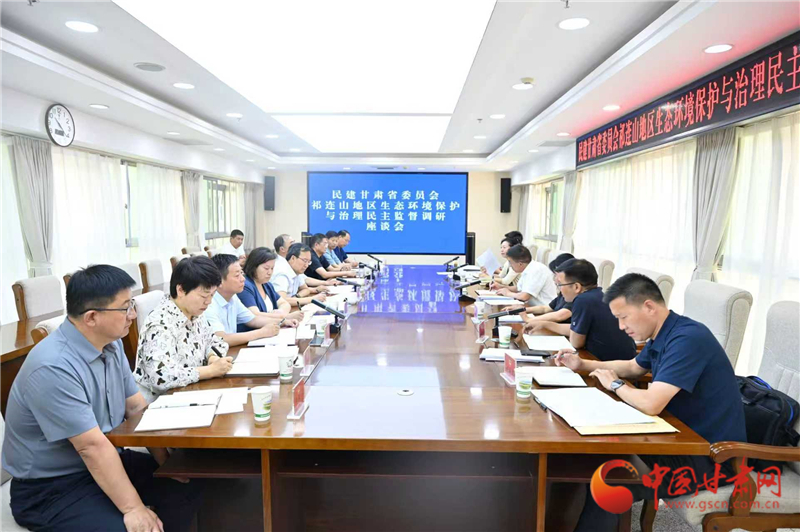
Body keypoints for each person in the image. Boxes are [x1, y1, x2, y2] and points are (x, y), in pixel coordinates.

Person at [2, 265, 202, 532]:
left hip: (107, 460)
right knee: (128, 527)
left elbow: (136, 408)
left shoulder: (112, 343)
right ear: (92, 317)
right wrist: (133, 508)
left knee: (186, 486)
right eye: (125, 308)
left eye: (132, 304)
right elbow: (91, 447)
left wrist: (164, 461)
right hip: (51, 488)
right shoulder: (52, 367)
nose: (133, 315)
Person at [559, 273, 746, 531]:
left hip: (709, 458)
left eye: (623, 317)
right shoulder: (665, 332)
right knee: (589, 457)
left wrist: (615, 385)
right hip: (677, 438)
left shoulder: (688, 339)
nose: (621, 327)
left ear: (648, 306)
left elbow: (651, 404)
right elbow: (633, 367)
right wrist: (582, 364)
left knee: (609, 480)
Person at [133, 255, 233, 403]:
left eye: (212, 295)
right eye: (204, 295)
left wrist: (212, 357)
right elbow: (161, 377)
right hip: (161, 403)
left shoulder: (196, 314)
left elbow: (215, 341)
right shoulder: (159, 324)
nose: (209, 302)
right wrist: (210, 370)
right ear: (180, 290)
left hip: (192, 393)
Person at [526, 258, 636, 361]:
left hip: (607, 363)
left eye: (560, 285)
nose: (559, 290)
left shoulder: (583, 300)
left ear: (576, 287)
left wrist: (546, 324)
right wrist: (545, 324)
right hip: (619, 359)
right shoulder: (596, 295)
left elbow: (576, 342)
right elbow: (577, 330)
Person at [204, 254, 281, 346]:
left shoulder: (233, 297)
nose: (243, 279)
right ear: (219, 281)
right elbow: (221, 339)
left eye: (242, 273)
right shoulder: (208, 304)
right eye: (237, 275)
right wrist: (262, 332)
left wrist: (283, 321)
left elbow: (253, 320)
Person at [239, 247, 302, 331]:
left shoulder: (267, 285)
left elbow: (284, 303)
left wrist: (281, 312)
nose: (270, 272)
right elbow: (255, 315)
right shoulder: (245, 286)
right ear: (253, 267)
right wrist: (284, 317)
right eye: (266, 268)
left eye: (272, 268)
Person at [521, 252, 574, 326]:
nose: (555, 279)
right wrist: (522, 310)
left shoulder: (575, 295)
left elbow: (559, 316)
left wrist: (529, 319)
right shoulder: (564, 291)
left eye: (556, 275)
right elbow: (545, 308)